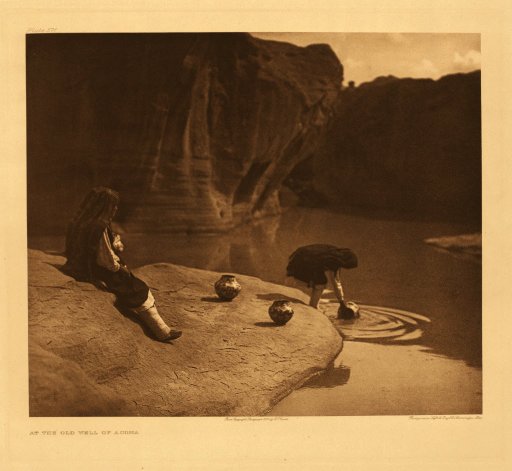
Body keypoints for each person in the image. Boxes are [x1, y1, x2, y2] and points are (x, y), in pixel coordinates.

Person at [64, 186, 182, 342]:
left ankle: (161, 329)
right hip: (97, 270)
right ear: (105, 207)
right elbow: (105, 260)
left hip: (85, 267)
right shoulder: (100, 227)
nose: (115, 209)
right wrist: (121, 268)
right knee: (139, 289)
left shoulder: (87, 222)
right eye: (113, 206)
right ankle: (162, 331)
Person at [286, 244, 358, 317]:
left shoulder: (334, 254)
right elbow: (335, 282)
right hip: (303, 260)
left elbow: (336, 280)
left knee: (320, 280)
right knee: (321, 282)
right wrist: (341, 302)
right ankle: (313, 306)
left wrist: (341, 301)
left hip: (302, 257)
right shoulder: (333, 261)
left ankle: (313, 305)